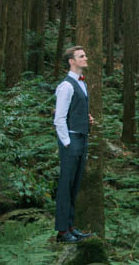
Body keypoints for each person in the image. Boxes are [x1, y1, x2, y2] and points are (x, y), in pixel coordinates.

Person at [54, 45, 95, 243]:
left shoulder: (81, 84)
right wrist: (67, 143)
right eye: (81, 56)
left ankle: (71, 226)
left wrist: (86, 119)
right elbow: (59, 118)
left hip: (82, 138)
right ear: (72, 61)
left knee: (75, 185)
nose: (86, 58)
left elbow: (74, 110)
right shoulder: (66, 86)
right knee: (65, 185)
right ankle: (62, 231)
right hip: (71, 141)